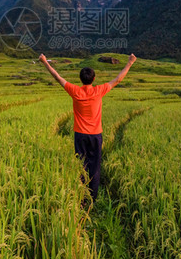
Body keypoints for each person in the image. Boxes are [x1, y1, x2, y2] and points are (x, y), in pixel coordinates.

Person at [39, 53, 137, 204]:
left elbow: (57, 77)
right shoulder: (99, 90)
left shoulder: (75, 91)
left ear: (80, 79)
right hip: (96, 135)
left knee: (81, 165)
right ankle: (92, 198)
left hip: (80, 135)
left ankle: (82, 197)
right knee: (95, 165)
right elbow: (118, 79)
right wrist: (130, 62)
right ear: (94, 79)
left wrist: (45, 62)